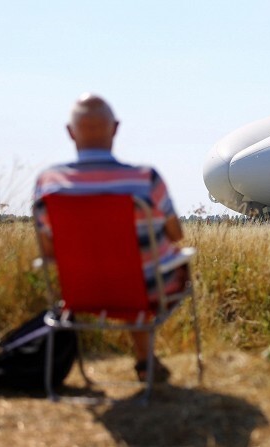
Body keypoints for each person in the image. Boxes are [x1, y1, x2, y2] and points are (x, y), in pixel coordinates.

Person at [33, 93, 184, 382]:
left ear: (70, 132)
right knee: (138, 270)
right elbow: (176, 234)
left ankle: (143, 361)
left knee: (116, 269)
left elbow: (48, 249)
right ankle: (144, 360)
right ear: (115, 128)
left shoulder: (48, 183)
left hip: (78, 293)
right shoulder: (145, 179)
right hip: (144, 289)